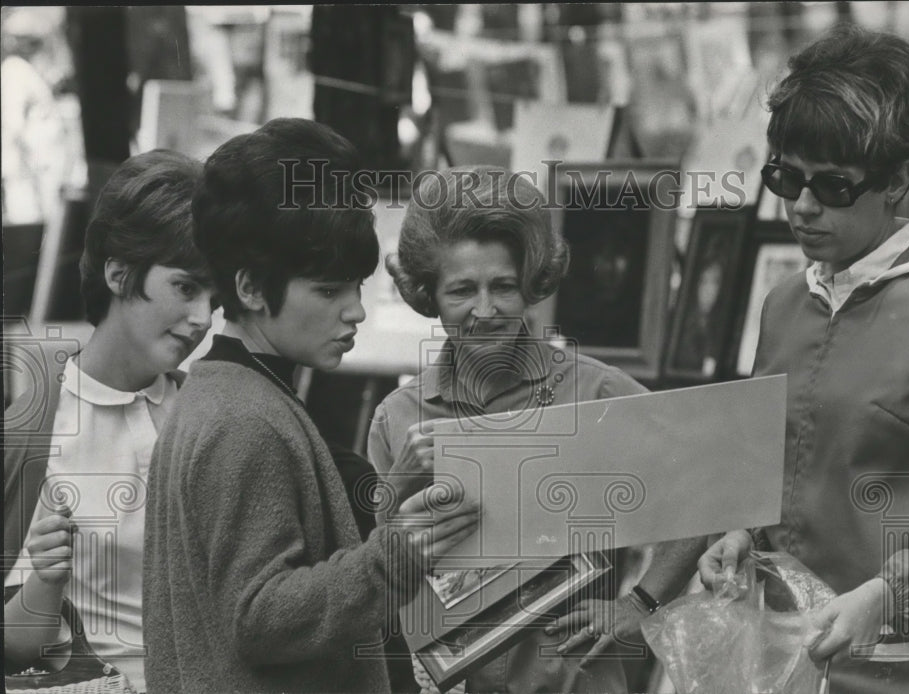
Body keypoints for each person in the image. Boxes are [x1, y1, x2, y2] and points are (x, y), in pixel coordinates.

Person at [697, 25, 909, 694]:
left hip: (905, 672)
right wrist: (741, 530)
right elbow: (774, 465)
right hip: (781, 663)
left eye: (833, 187)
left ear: (897, 179)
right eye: (785, 176)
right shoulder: (783, 301)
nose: (801, 206)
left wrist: (890, 594)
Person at [141, 118, 479, 694]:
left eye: (356, 286)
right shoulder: (243, 421)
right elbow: (261, 617)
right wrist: (395, 558)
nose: (355, 311)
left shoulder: (229, 395)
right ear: (250, 289)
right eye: (327, 291)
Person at [368, 166, 704, 693]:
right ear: (427, 294)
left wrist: (640, 604)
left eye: (503, 286)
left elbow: (700, 490)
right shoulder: (398, 417)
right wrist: (396, 490)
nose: (485, 310)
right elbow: (372, 572)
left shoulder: (600, 393)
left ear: (532, 283)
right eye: (461, 290)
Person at [4, 150, 215, 692]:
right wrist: (47, 579)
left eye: (214, 296)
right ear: (119, 274)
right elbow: (16, 649)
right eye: (186, 287)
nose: (201, 318)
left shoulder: (209, 410)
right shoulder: (37, 429)